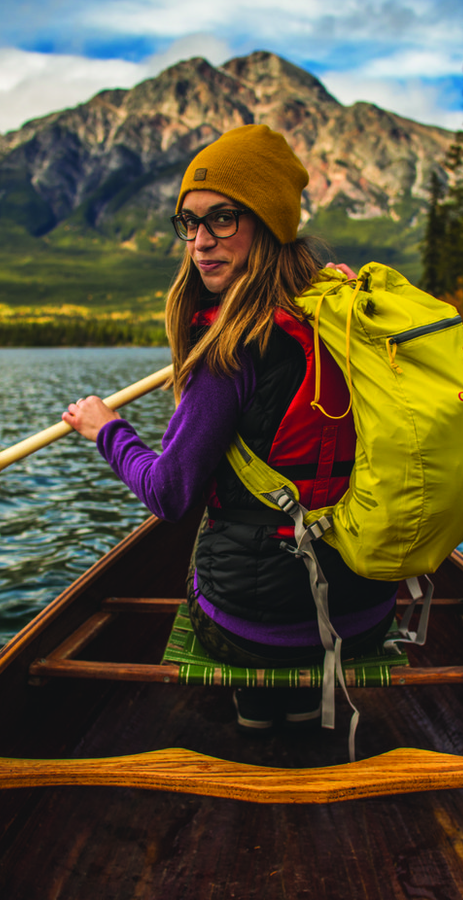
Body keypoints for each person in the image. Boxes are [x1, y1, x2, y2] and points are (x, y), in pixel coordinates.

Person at [62, 124, 398, 733]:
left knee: (203, 550)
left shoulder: (230, 348)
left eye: (222, 219)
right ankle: (302, 714)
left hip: (260, 628)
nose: (199, 241)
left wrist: (106, 429)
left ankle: (259, 721)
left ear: (267, 221)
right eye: (189, 222)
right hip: (367, 609)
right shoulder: (345, 313)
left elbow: (169, 494)